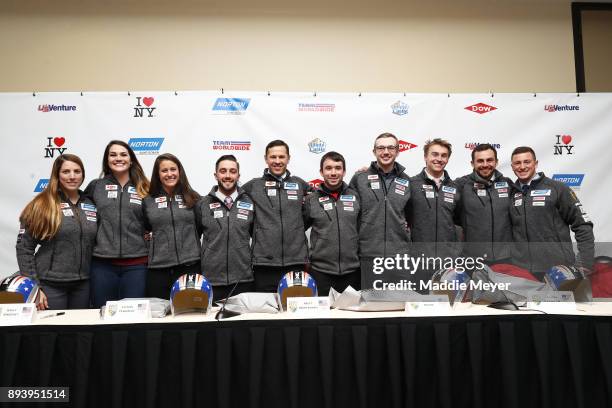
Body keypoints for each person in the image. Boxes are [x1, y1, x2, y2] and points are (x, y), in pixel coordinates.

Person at [16, 154, 97, 310]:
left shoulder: (90, 203)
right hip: (50, 284)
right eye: (66, 172)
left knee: (77, 332)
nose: (72, 176)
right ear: (57, 174)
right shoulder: (42, 204)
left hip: (83, 284)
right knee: (50, 333)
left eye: (77, 171)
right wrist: (34, 287)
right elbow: (24, 248)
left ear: (83, 174)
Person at [509, 146, 594, 277]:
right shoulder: (511, 193)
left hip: (558, 269)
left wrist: (584, 264)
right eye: (517, 163)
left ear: (535, 163)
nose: (522, 166)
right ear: (512, 166)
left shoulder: (557, 188)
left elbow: (583, 225)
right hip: (522, 272)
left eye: (527, 162)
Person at [85, 140, 150, 308]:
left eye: (123, 154)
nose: (118, 158)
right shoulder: (95, 187)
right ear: (107, 160)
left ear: (131, 159)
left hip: (137, 265)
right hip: (102, 265)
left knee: (134, 318)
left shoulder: (145, 187)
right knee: (103, 316)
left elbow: (154, 219)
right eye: (113, 155)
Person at [242, 140, 310, 292]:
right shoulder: (253, 186)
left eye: (281, 157)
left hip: (296, 261)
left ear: (288, 158)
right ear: (266, 159)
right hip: (264, 264)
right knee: (265, 313)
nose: (277, 161)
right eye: (273, 157)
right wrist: (261, 230)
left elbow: (326, 197)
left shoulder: (300, 185)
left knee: (294, 311)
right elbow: (235, 208)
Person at [349, 133, 411, 288]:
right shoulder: (360, 178)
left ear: (397, 151)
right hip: (368, 255)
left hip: (399, 256)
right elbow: (349, 213)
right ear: (374, 151)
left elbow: (412, 216)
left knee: (398, 305)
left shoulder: (407, 180)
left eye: (391, 147)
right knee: (370, 305)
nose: (386, 152)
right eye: (381, 148)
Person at [196, 155, 255, 300]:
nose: (228, 175)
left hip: (243, 279)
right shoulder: (202, 204)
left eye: (232, 171)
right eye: (223, 171)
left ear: (238, 175)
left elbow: (258, 238)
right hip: (211, 280)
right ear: (216, 174)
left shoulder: (251, 202)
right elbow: (194, 238)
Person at [143, 153, 201, 299]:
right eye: (164, 170)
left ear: (179, 171)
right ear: (158, 174)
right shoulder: (148, 201)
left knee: (189, 314)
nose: (169, 174)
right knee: (158, 316)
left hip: (190, 266)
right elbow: (144, 229)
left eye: (173, 169)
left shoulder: (193, 198)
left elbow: (199, 228)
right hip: (158, 269)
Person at [303, 152, 360, 295]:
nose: (333, 173)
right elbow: (298, 230)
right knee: (323, 318)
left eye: (338, 168)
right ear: (321, 172)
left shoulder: (356, 196)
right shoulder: (311, 199)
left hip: (353, 272)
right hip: (321, 273)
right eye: (328, 168)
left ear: (344, 171)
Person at [455, 143, 513, 263]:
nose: (485, 165)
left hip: (506, 258)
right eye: (480, 161)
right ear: (473, 163)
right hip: (473, 258)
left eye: (489, 160)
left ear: (496, 162)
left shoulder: (508, 184)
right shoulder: (461, 185)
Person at [408, 138, 461, 265]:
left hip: (448, 259)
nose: (439, 159)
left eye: (444, 155)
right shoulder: (411, 184)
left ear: (448, 159)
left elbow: (459, 221)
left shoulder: (456, 187)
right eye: (434, 154)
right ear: (425, 156)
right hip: (418, 260)